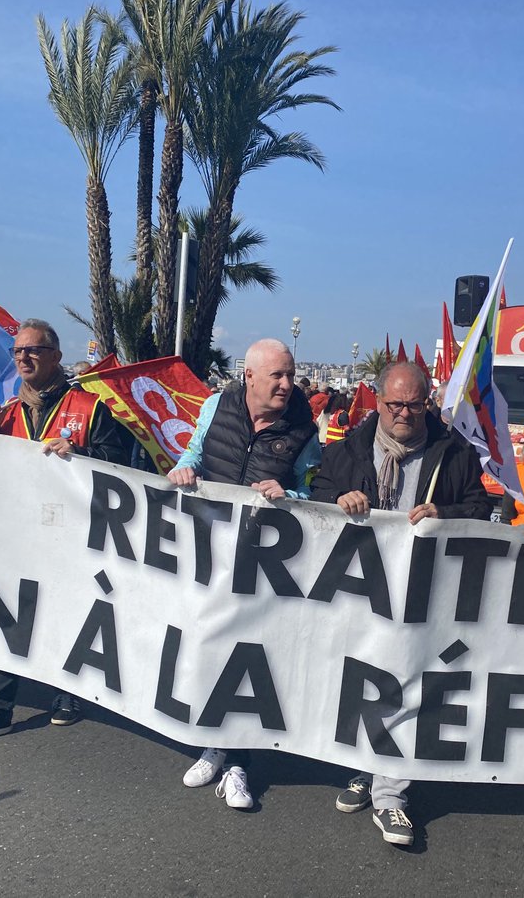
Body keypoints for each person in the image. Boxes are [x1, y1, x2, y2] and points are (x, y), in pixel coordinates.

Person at [310, 361, 490, 846]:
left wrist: (444, 512)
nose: (404, 414)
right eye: (394, 405)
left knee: (405, 681)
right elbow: (319, 494)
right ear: (378, 401)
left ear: (427, 403)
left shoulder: (453, 453)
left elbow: (480, 508)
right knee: (359, 677)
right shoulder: (348, 448)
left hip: (422, 592)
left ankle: (391, 795)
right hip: (359, 587)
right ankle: (360, 769)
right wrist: (338, 499)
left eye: (414, 404)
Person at [0, 319, 127, 744]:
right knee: (6, 613)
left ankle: (68, 693)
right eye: (18, 351)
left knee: (66, 611)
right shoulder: (4, 411)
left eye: (34, 350)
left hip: (72, 532)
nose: (24, 357)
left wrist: (79, 452)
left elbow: (121, 467)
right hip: (17, 531)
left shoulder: (89, 406)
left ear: (55, 356)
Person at [166, 338, 321, 810]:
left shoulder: (303, 429)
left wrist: (290, 495)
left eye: (290, 375)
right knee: (210, 646)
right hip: (210, 553)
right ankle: (215, 744)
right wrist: (183, 470)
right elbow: (193, 453)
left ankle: (238, 763)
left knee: (250, 658)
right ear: (249, 376)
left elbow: (313, 492)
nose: (287, 384)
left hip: (263, 564)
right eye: (277, 375)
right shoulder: (217, 406)